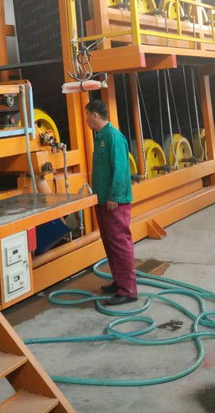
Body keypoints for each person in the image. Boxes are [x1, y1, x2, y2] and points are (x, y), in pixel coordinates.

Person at [85, 99, 138, 306]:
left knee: (120, 243)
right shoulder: (100, 137)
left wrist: (114, 195)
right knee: (110, 243)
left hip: (115, 201)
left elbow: (121, 168)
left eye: (87, 116)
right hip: (102, 200)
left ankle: (128, 291)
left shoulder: (114, 137)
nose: (87, 120)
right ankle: (119, 282)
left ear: (95, 115)